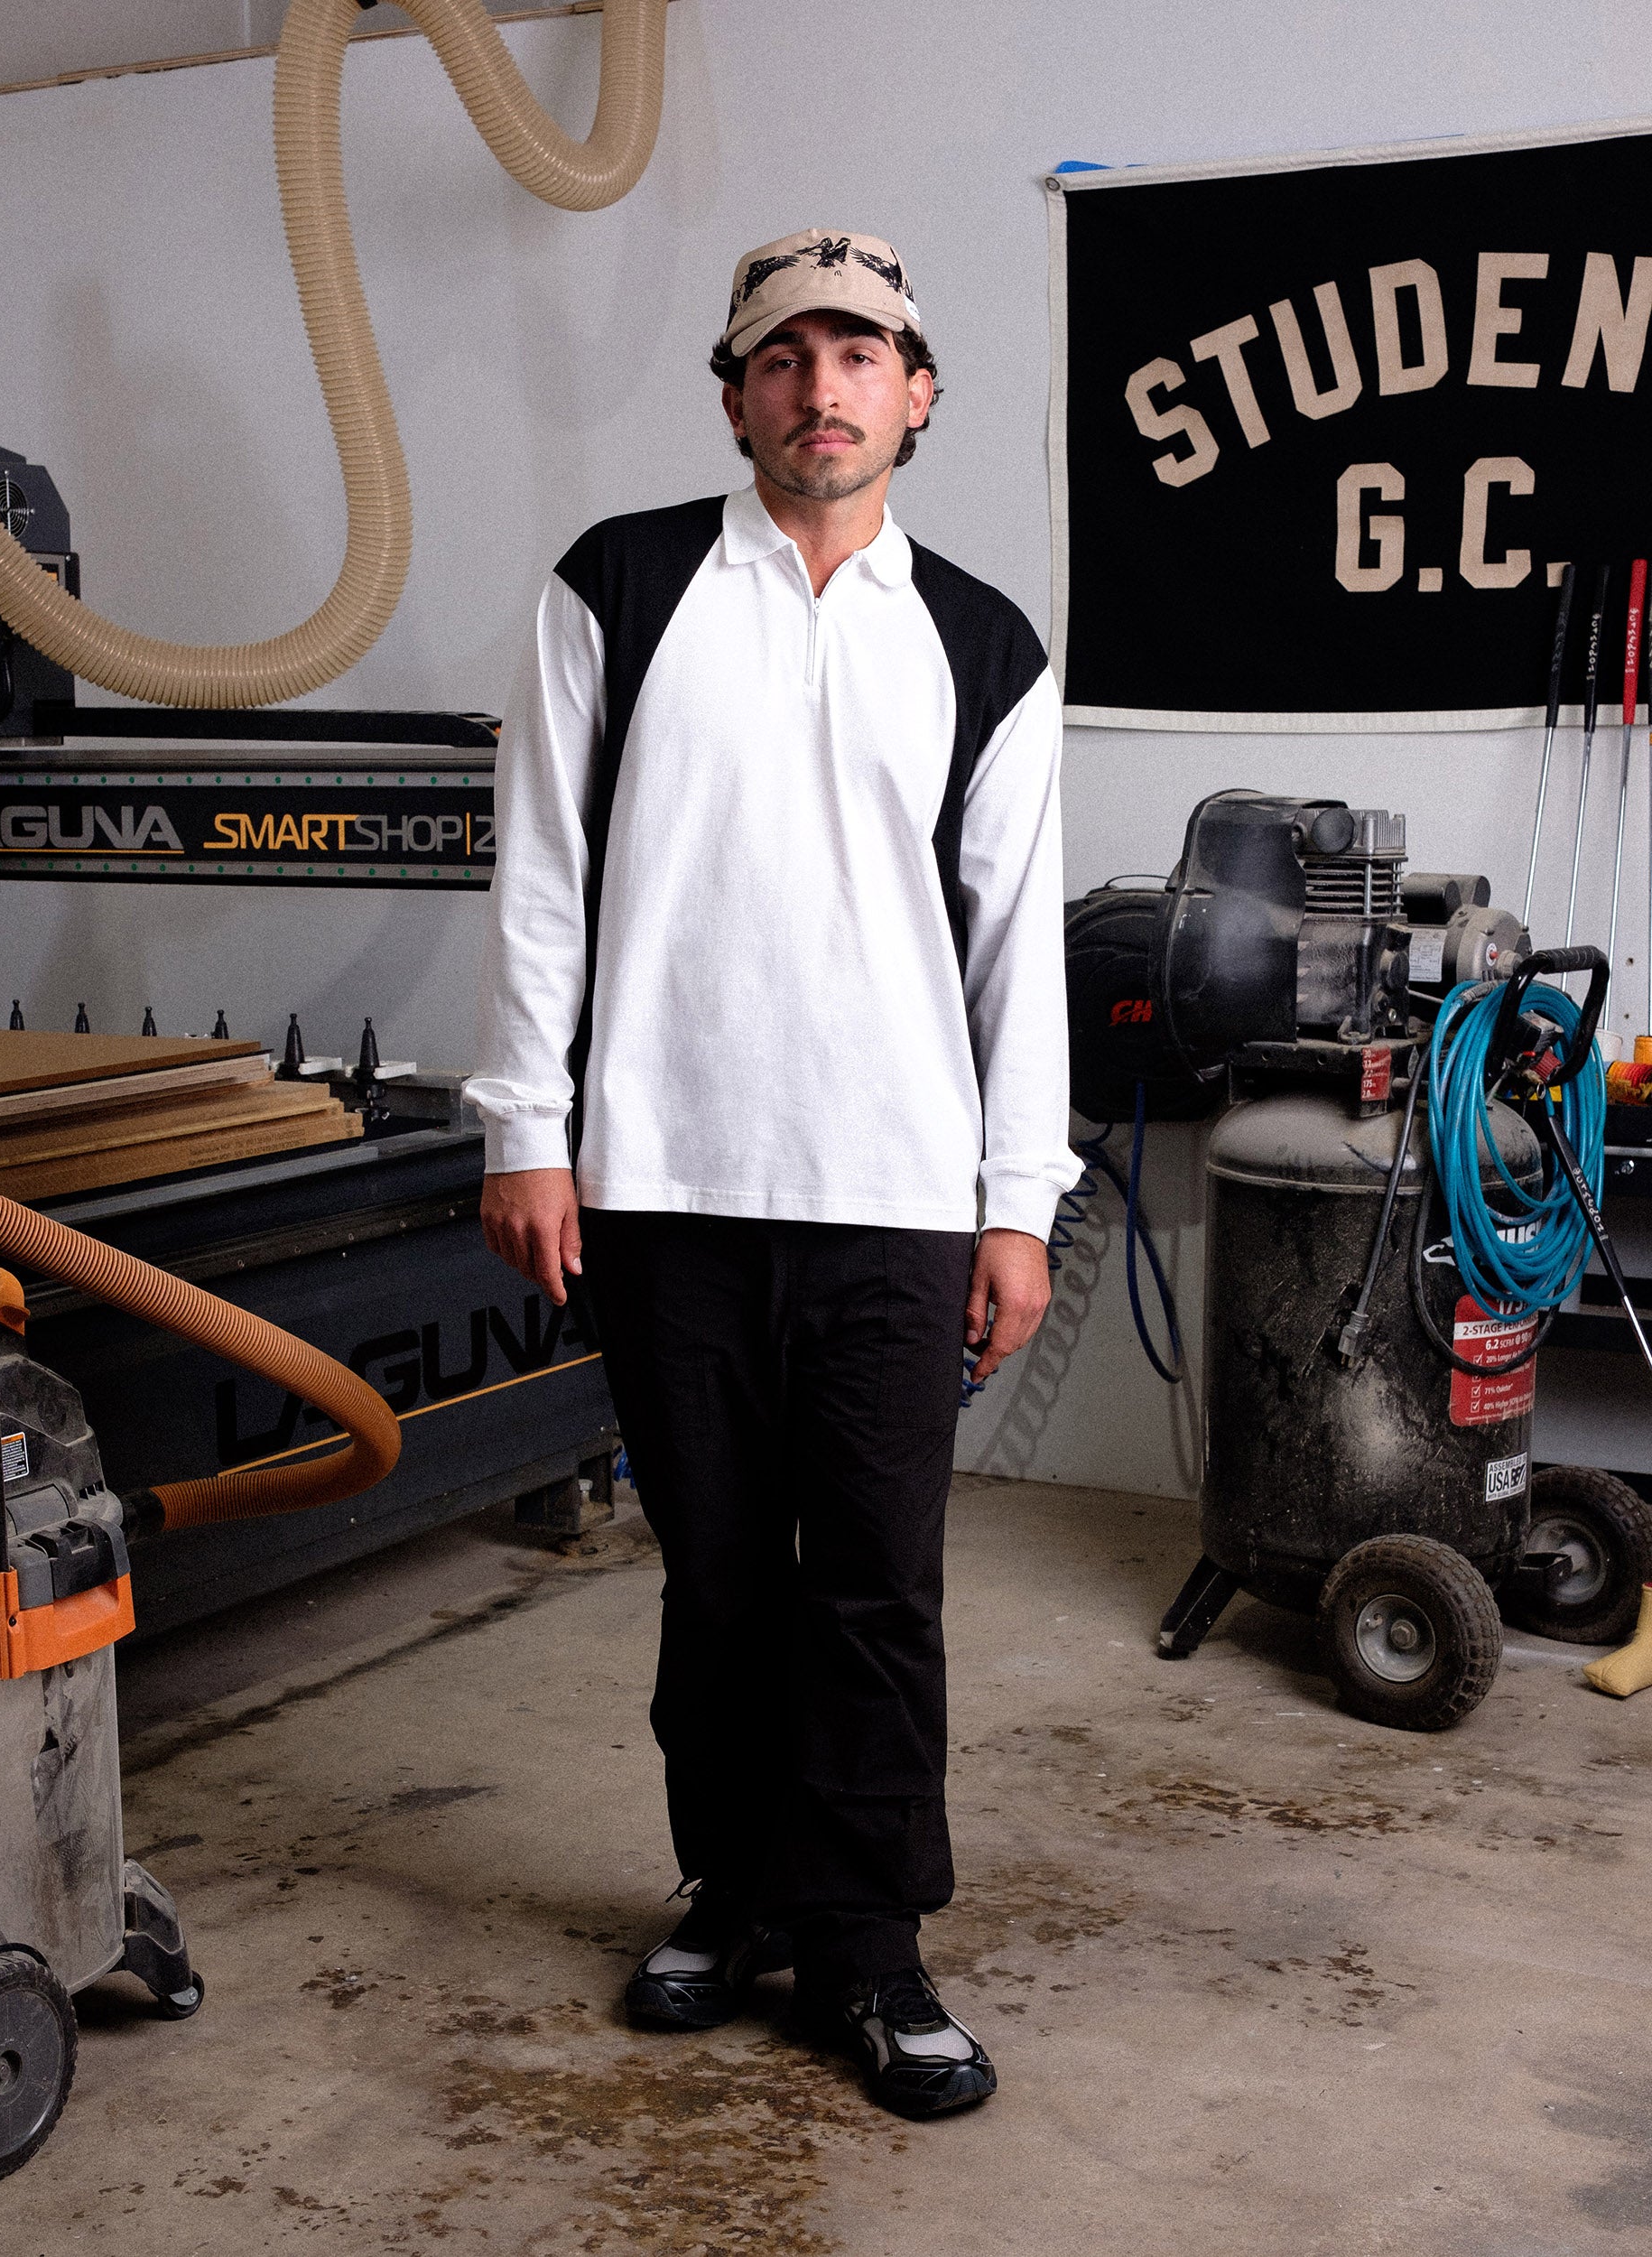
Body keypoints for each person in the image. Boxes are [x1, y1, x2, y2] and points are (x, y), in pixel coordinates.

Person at [467, 227, 1077, 2119]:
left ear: (916, 393)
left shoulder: (982, 642)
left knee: (876, 1581)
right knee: (719, 1575)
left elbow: (1011, 941)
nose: (822, 387)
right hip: (663, 1176)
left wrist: (1015, 1197)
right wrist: (527, 1126)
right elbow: (541, 874)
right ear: (735, 393)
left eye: (860, 353)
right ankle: (732, 1893)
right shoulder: (620, 588)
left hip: (894, 1191)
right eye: (783, 356)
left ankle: (873, 1943)